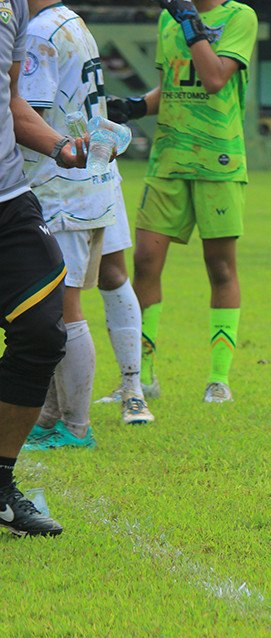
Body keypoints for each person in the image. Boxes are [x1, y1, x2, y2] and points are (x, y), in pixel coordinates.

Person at [107, 0, 258, 404]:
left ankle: (218, 379)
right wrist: (136, 106)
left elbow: (213, 78)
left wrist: (191, 21)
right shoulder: (166, 20)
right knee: (144, 263)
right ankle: (141, 379)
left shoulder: (239, 17)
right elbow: (173, 87)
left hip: (218, 162)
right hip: (168, 159)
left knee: (220, 268)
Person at [19, 0, 153, 448]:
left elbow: (30, 115)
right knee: (84, 291)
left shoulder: (39, 32)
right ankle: (54, 416)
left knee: (63, 306)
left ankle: (76, 427)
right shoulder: (69, 20)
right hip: (94, 180)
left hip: (61, 186)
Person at [0, 0, 89, 536]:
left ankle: (1, 483)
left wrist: (58, 145)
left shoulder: (15, 4)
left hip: (8, 195)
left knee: (40, 331)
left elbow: (10, 98)